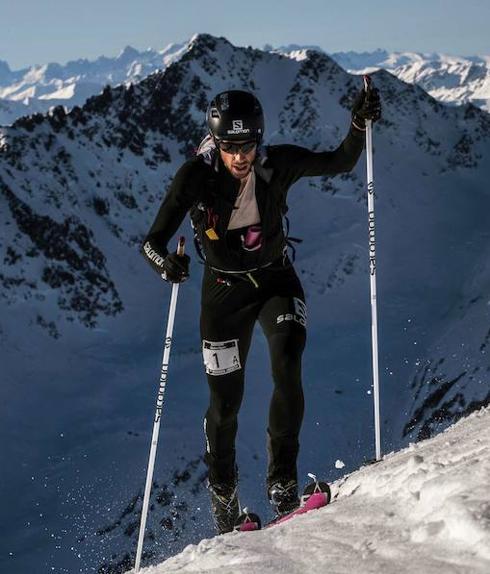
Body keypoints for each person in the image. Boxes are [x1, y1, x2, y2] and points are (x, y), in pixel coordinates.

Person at [141, 86, 381, 534]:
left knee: (288, 360)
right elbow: (151, 242)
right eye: (229, 147)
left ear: (259, 139)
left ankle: (282, 484)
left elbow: (341, 161)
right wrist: (166, 264)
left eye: (247, 145)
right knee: (225, 404)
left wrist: (358, 123)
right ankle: (224, 496)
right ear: (216, 142)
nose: (240, 156)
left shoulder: (277, 164)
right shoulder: (195, 176)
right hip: (222, 295)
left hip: (275, 279)